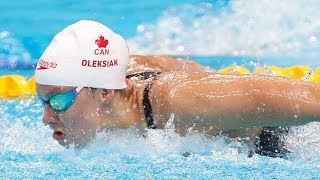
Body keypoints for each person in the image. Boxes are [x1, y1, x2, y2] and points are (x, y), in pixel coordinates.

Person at [36, 20, 320, 157]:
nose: (46, 117)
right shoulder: (121, 75)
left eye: (58, 101)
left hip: (280, 138)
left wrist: (220, 105)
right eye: (43, 102)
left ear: (106, 92)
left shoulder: (184, 102)